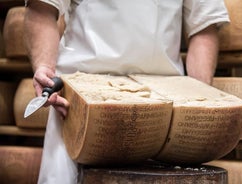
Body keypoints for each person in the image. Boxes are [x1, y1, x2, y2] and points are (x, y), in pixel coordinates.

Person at [24, 0, 230, 183]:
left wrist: (200, 99)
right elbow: (42, 8)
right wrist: (45, 67)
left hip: (165, 105)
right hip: (83, 96)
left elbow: (204, 25)